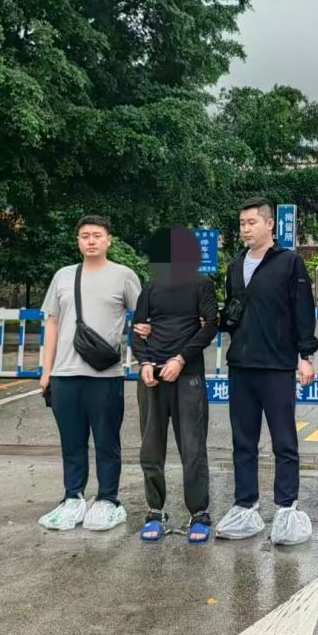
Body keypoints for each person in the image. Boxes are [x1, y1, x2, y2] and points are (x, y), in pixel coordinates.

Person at [215, 198, 318, 544]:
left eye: (252, 222)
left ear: (270, 224)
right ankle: (245, 506)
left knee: (284, 441)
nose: (245, 229)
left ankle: (286, 508)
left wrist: (306, 356)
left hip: (277, 365)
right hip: (241, 365)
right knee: (243, 441)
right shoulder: (235, 265)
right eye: (242, 223)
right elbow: (233, 311)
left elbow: (303, 311)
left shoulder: (289, 263)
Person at [37, 215, 142, 531]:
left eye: (97, 235)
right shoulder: (64, 276)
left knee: (107, 441)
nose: (91, 241)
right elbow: (52, 323)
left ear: (109, 240)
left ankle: (108, 499)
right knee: (71, 442)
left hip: (105, 375)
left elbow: (143, 317)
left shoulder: (124, 276)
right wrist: (46, 371)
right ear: (78, 241)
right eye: (85, 236)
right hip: (65, 374)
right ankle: (73, 497)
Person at [130, 227, 219, 544]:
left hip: (187, 375)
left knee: (193, 448)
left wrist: (180, 359)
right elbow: (136, 330)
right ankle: (155, 511)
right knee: (150, 448)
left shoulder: (201, 284)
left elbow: (210, 325)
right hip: (152, 378)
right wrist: (144, 362)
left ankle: (199, 513)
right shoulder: (151, 287)